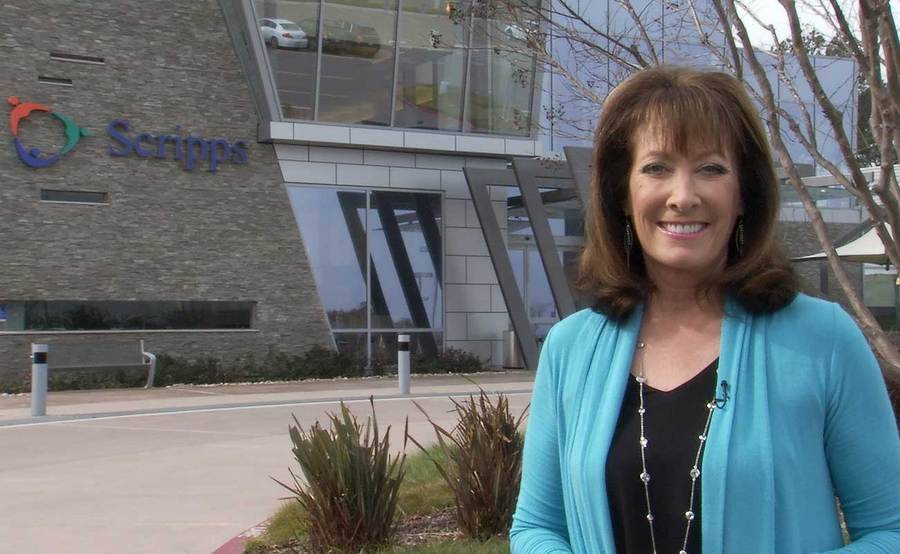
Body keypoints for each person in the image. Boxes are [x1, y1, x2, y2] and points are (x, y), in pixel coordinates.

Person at [509, 66, 900, 553]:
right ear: (622, 195)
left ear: (744, 195)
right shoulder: (571, 349)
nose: (683, 196)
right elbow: (537, 528)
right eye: (656, 168)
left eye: (711, 168)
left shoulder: (824, 340)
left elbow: (891, 531)